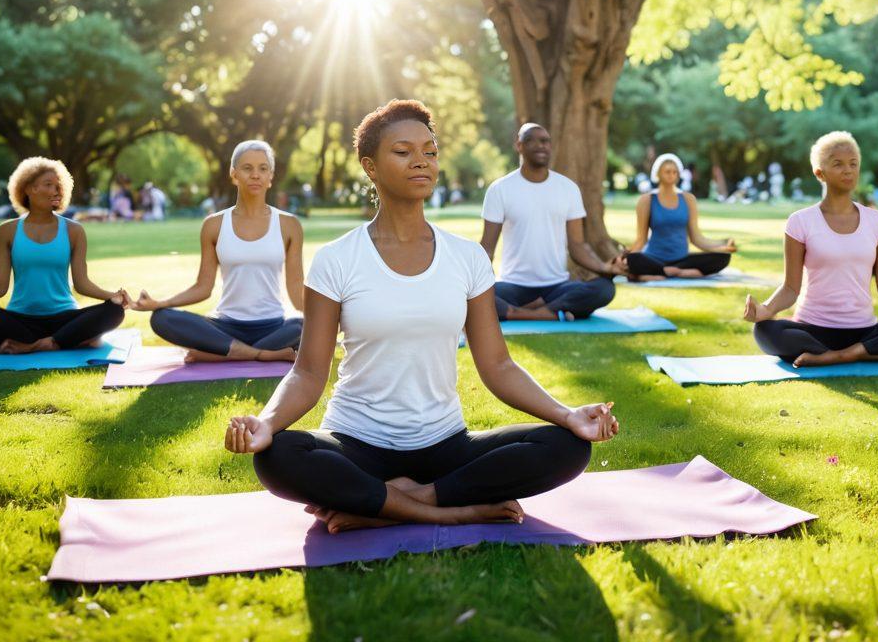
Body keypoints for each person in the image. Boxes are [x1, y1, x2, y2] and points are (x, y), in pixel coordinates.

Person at [224, 100, 617, 534]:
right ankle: (448, 510)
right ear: (370, 167)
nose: (421, 162)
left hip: (444, 446)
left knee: (568, 447)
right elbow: (309, 373)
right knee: (277, 455)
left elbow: (498, 366)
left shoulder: (467, 258)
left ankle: (391, 504)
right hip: (356, 444)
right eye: (403, 151)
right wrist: (266, 422)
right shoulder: (336, 259)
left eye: (430, 152)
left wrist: (567, 415)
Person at [742, 131, 878, 367]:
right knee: (764, 331)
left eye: (853, 164)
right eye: (838, 164)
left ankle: (844, 355)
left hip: (864, 331)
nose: (848, 170)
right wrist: (765, 309)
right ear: (820, 173)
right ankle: (874, 353)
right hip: (813, 330)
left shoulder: (876, 221)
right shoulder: (800, 221)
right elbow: (790, 288)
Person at [132, 141, 304, 363]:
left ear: (270, 177)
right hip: (226, 326)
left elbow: (297, 292)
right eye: (247, 168)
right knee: (162, 318)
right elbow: (203, 288)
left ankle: (220, 354)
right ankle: (262, 354)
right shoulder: (213, 225)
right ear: (234, 175)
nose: (255, 175)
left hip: (273, 326)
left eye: (263, 169)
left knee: (305, 324)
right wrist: (159, 304)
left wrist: (332, 313)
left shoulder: (289, 224)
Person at [0, 157, 129, 354]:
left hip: (64, 318)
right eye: (49, 185)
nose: (56, 190)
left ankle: (37, 345)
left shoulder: (74, 230)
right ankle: (63, 341)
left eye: (59, 186)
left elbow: (82, 284)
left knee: (114, 311)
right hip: (21, 320)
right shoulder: (8, 230)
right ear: (28, 189)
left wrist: (113, 297)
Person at [480, 123, 625, 321]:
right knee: (472, 296)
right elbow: (487, 248)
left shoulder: (568, 188)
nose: (540, 145)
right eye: (531, 140)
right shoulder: (500, 189)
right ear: (519, 146)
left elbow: (578, 246)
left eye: (545, 141)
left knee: (604, 289)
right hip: (513, 286)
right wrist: (471, 283)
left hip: (556, 286)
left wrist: (604, 268)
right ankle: (548, 312)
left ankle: (519, 312)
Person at [624, 153, 736, 280]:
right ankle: (676, 272)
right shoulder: (647, 200)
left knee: (723, 257)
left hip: (682, 260)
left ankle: (661, 272)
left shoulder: (688, 199)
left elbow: (697, 238)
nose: (671, 175)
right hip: (653, 258)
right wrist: (626, 257)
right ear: (658, 174)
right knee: (633, 260)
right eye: (667, 172)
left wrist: (721, 246)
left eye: (674, 172)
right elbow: (641, 239)